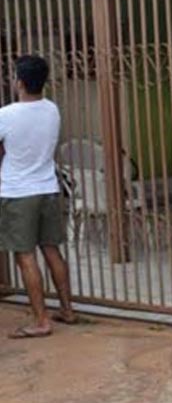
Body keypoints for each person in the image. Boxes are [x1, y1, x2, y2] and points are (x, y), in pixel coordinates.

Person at [0, 55, 76, 338]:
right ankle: (67, 309)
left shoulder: (6, 115)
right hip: (47, 188)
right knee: (51, 249)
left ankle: (41, 320)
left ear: (19, 81)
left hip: (18, 192)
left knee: (25, 255)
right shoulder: (51, 110)